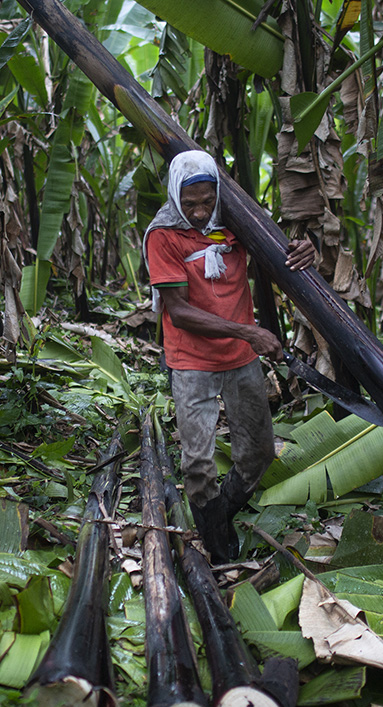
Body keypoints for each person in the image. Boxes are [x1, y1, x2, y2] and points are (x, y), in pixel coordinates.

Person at [144, 150, 315, 563]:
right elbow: (179, 311)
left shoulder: (236, 224)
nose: (201, 213)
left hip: (241, 359)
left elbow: (282, 251)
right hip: (192, 363)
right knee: (198, 466)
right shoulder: (163, 235)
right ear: (174, 197)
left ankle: (216, 519)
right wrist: (249, 331)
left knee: (258, 454)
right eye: (190, 204)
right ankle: (220, 555)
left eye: (207, 201)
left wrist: (308, 249)